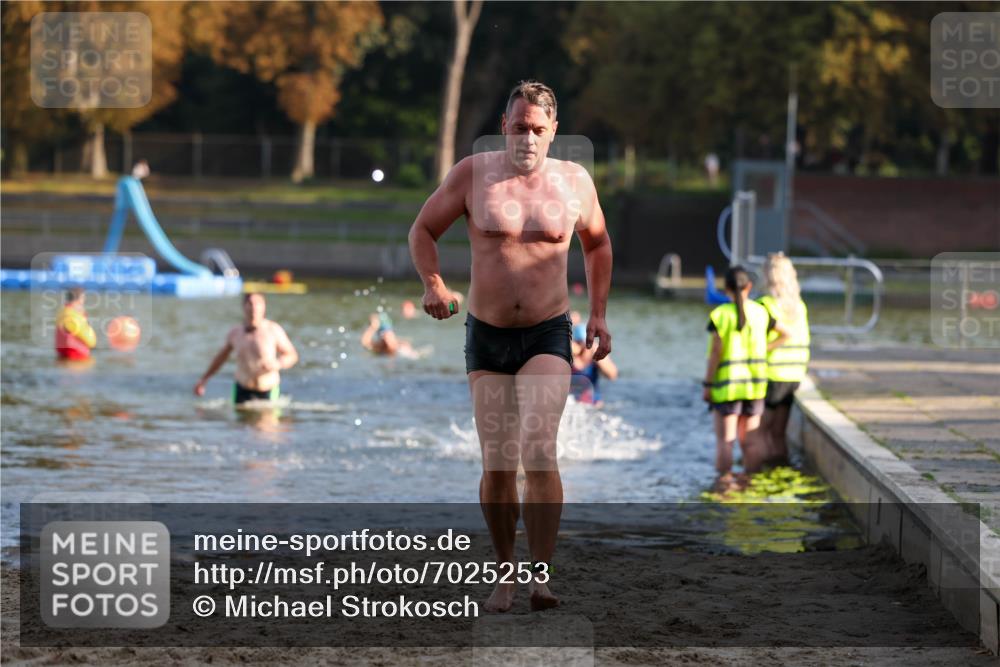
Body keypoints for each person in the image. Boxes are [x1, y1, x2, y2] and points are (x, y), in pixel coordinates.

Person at [408, 80, 612, 612]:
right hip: (488, 333)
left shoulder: (574, 182)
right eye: (519, 127)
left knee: (539, 448)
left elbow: (598, 243)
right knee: (498, 464)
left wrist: (600, 314)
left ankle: (540, 575)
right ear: (504, 126)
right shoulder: (473, 175)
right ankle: (504, 572)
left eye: (538, 130)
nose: (527, 138)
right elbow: (423, 230)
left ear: (553, 132)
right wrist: (433, 284)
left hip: (548, 331)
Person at [702, 266, 788, 489]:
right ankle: (751, 482)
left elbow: (715, 353)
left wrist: (707, 384)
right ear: (749, 286)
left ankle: (725, 484)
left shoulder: (720, 315)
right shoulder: (761, 313)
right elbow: (786, 333)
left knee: (726, 441)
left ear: (726, 288)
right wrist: (764, 349)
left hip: (726, 388)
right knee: (751, 441)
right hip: (755, 387)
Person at [193, 293, 298, 404]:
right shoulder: (235, 333)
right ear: (244, 306)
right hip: (241, 389)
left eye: (258, 303)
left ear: (264, 306)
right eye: (251, 303)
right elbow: (220, 359)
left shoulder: (273, 330)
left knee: (267, 420)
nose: (254, 307)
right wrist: (204, 380)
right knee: (238, 420)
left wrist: (277, 363)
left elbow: (292, 355)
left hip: (267, 389)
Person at [757, 253, 810, 465]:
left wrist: (762, 350)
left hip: (774, 374)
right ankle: (781, 471)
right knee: (779, 432)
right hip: (794, 374)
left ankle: (758, 473)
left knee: (760, 432)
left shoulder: (766, 305)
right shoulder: (799, 306)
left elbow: (783, 334)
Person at [570, 324, 618, 407]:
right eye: (580, 342)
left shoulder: (594, 355)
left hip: (593, 404)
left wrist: (598, 356)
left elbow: (612, 375)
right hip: (572, 402)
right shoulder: (570, 356)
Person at [55, 288, 97, 361]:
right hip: (76, 356)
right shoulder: (72, 314)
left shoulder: (63, 312)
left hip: (65, 355)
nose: (84, 301)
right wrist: (92, 343)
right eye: (83, 298)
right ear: (79, 299)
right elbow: (85, 335)